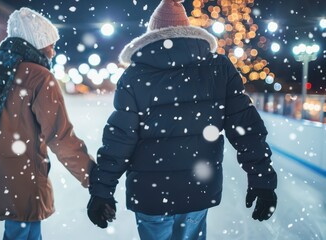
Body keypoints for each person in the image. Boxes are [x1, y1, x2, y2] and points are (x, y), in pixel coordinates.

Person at [86, 0, 277, 239]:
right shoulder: (218, 68)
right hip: (197, 191)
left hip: (150, 196)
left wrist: (102, 190)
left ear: (151, 34)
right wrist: (261, 178)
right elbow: (245, 127)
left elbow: (120, 138)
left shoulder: (134, 76)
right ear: (186, 29)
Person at [0, 7, 95, 240]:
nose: (52, 51)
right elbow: (60, 136)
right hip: (22, 174)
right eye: (49, 44)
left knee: (24, 231)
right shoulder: (39, 76)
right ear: (36, 44)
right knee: (21, 232)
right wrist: (93, 177)